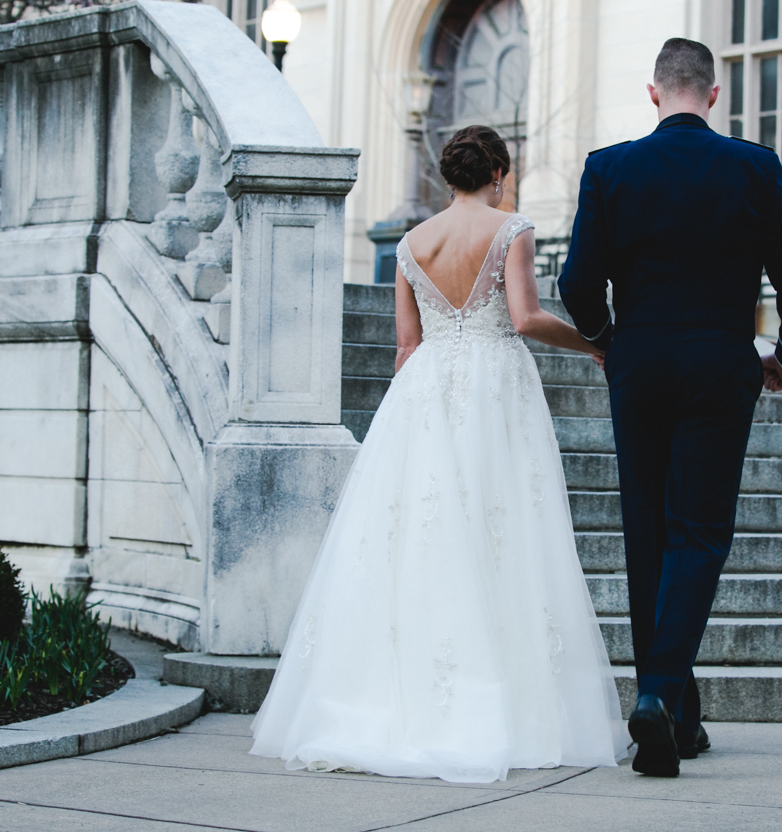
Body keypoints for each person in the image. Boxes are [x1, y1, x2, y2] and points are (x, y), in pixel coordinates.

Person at [248, 125, 626, 783]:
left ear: (449, 176)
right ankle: (505, 702)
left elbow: (405, 341)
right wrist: (596, 342)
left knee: (416, 540)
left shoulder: (410, 243)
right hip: (494, 384)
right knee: (502, 529)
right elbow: (527, 316)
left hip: (424, 390)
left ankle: (402, 698)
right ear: (499, 173)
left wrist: (410, 411)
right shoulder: (511, 227)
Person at [558, 38, 782, 778]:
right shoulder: (751, 165)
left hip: (638, 360)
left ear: (653, 94)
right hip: (718, 357)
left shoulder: (608, 168)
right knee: (699, 532)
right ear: (711, 94)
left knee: (647, 530)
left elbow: (578, 283)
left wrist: (611, 339)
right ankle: (659, 696)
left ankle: (674, 710)